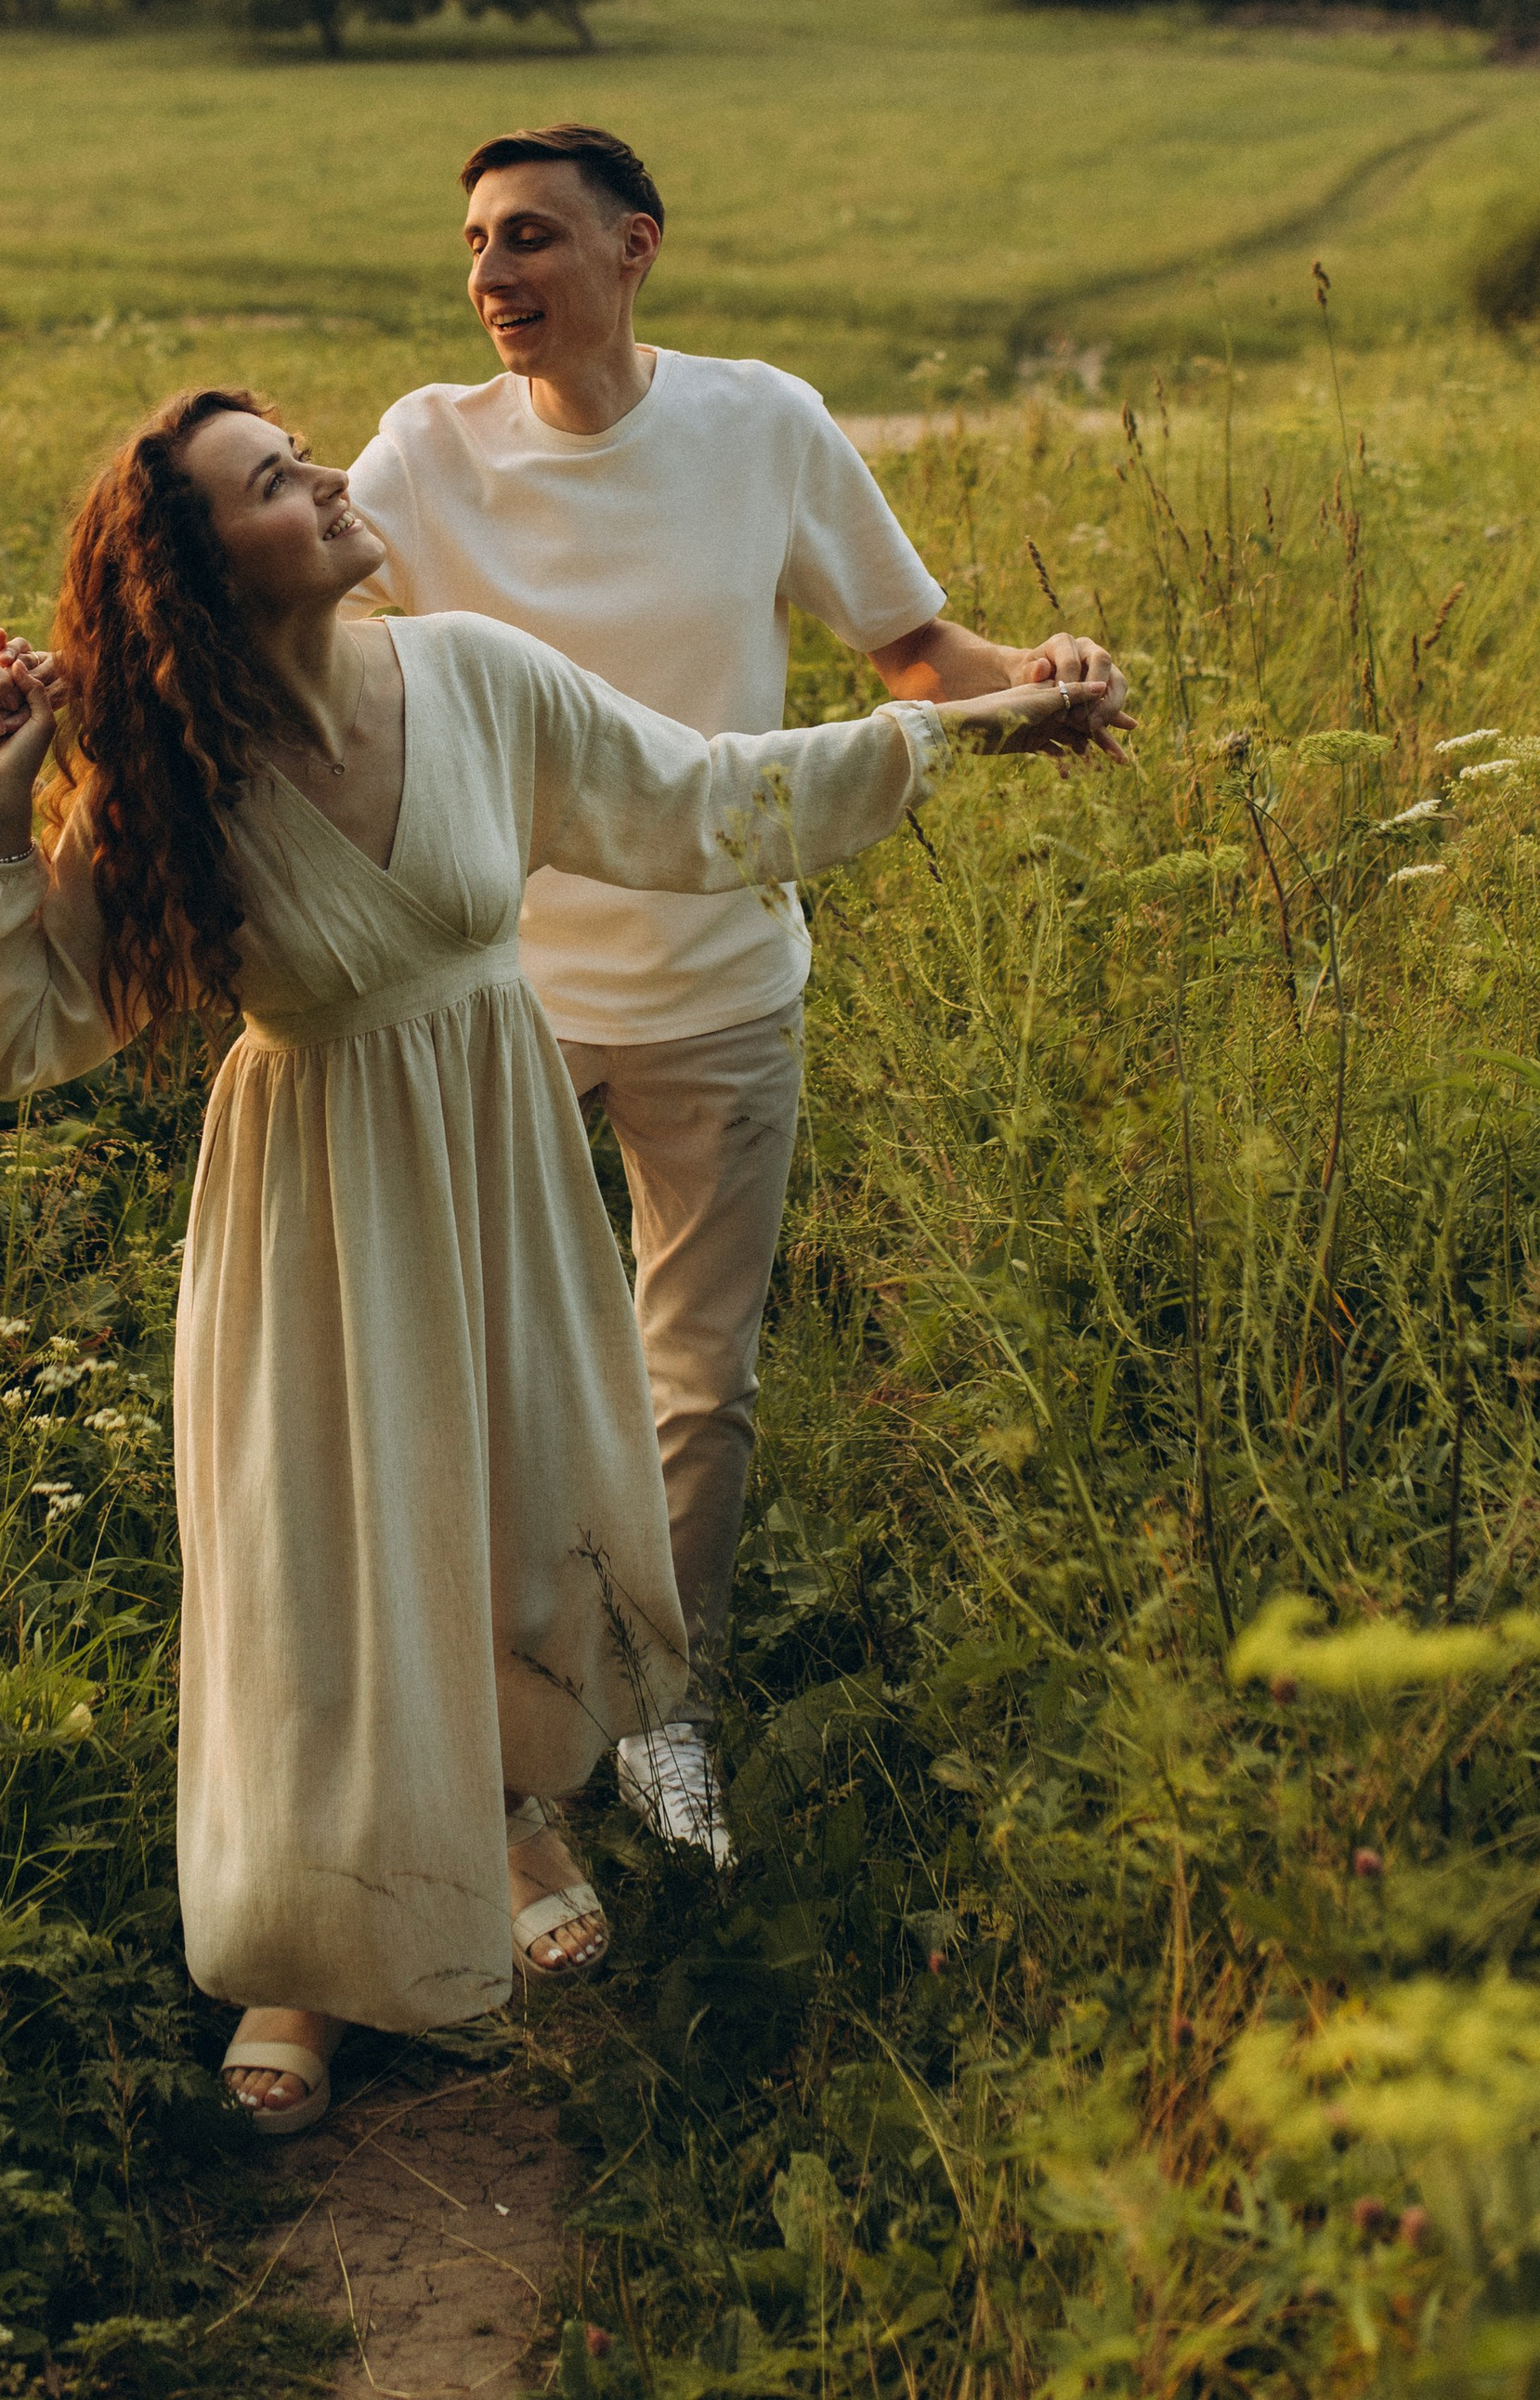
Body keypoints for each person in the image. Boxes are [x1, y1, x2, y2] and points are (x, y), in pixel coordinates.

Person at [0, 386, 1108, 2135]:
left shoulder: (472, 673)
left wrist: (975, 725)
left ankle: (504, 1810)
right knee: (318, 1547)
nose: (327, 479)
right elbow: (23, 1036)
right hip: (318, 1200)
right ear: (197, 564)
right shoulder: (176, 779)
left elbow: (703, 802)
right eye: (274, 481)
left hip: (499, 1158)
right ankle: (297, 1958)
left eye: (304, 453)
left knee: (518, 1497)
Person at [346, 124, 1130, 1860]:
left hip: (720, 990)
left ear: (636, 249)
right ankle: (482, 1735)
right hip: (497, 1002)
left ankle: (657, 1720)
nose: (494, 278)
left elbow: (918, 658)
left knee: (697, 1378)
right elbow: (300, 629)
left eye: (533, 239)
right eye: (476, 245)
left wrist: (1046, 678)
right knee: (483, 1367)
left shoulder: (762, 423)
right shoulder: (420, 452)